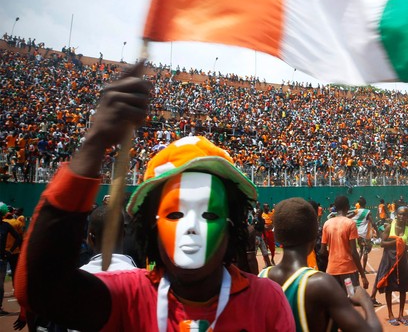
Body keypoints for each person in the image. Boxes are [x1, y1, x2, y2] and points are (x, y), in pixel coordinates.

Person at [16, 63, 294, 331]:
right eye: (175, 214)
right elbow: (41, 290)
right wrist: (95, 142)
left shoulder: (266, 299)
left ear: (230, 225)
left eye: (209, 214)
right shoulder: (126, 296)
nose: (192, 227)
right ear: (152, 225)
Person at [261, 198, 382, 332]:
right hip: (346, 268)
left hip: (332, 268)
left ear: (277, 237)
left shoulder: (262, 278)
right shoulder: (320, 284)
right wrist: (366, 302)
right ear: (314, 236)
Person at [372, 206, 408, 327]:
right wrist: (395, 242)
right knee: (389, 288)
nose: (402, 216)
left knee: (403, 288)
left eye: (405, 215)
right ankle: (390, 314)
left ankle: (401, 315)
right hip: (389, 260)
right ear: (396, 214)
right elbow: (382, 243)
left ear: (407, 216)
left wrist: (403, 245)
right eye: (400, 214)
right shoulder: (390, 226)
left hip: (402, 261)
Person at [320, 195, 369, 293]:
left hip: (332, 271)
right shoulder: (350, 223)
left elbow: (322, 251)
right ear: (347, 207)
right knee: (351, 298)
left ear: (335, 208)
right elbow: (354, 252)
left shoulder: (327, 224)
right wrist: (363, 276)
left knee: (335, 302)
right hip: (348, 271)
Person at [0, 203, 22, 317]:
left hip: (2, 258)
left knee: (0, 285)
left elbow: (18, 238)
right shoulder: (16, 222)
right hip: (10, 254)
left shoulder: (6, 225)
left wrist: (9, 251)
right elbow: (20, 236)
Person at [350, 197, 374, 273]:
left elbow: (349, 217)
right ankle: (363, 269)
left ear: (359, 204)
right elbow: (372, 222)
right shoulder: (367, 212)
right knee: (366, 251)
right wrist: (378, 232)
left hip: (357, 233)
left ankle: (357, 268)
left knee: (360, 250)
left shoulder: (355, 211)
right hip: (365, 234)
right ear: (365, 204)